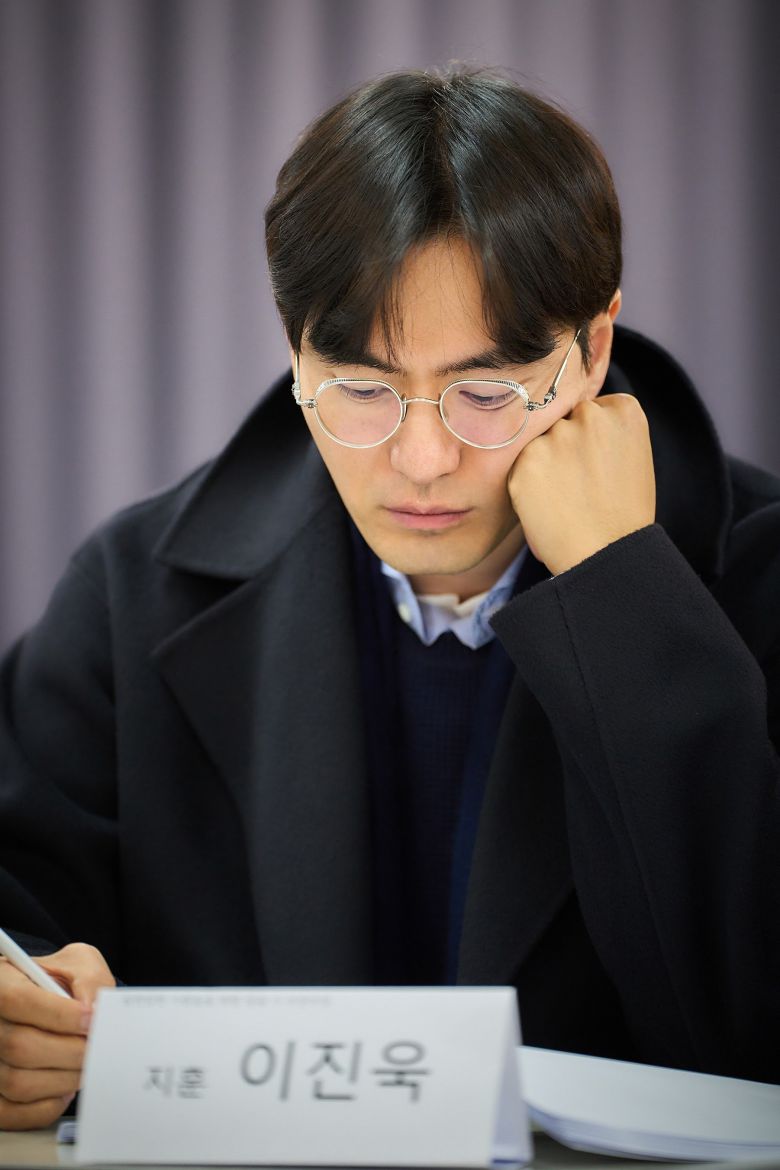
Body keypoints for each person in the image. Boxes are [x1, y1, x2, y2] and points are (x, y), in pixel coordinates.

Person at [0, 66, 778, 1131]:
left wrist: (623, 597)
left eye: (485, 392)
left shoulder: (757, 570)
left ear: (593, 349)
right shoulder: (135, 592)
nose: (421, 460)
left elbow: (750, 1016)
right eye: (363, 389)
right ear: (294, 349)